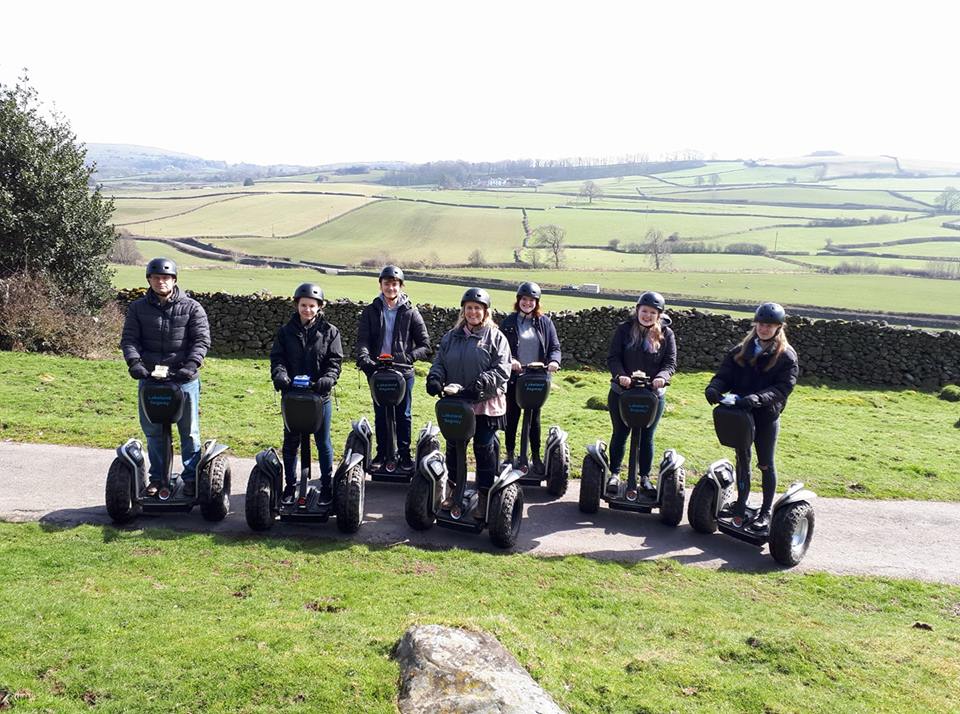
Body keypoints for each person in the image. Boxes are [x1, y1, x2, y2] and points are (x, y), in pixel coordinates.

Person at [121, 257, 211, 497]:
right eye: (156, 278)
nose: (161, 282)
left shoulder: (192, 307)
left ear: (174, 280)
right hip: (150, 378)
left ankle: (191, 478)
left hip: (183, 379)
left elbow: (201, 340)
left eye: (166, 278)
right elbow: (130, 340)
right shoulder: (137, 308)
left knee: (189, 432)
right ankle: (158, 478)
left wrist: (191, 365)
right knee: (154, 432)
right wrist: (135, 363)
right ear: (149, 280)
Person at [705, 302, 799, 532]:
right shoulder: (740, 351)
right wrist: (714, 387)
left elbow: (783, 388)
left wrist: (757, 399)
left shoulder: (786, 356)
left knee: (765, 463)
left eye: (770, 325)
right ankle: (741, 503)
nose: (764, 329)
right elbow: (725, 375)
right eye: (761, 324)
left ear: (779, 327)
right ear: (756, 324)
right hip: (740, 415)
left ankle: (766, 511)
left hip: (765, 416)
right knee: (742, 459)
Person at [426, 288, 512, 516]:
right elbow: (440, 362)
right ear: (463, 311)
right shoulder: (451, 336)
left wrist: (480, 385)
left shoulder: (496, 337)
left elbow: (502, 370)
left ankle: (485, 494)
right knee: (454, 448)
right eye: (469, 308)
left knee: (484, 447)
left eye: (478, 308)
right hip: (457, 401)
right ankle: (455, 491)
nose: (473, 312)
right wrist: (435, 378)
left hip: (484, 402)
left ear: (485, 312)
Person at [270, 283, 343, 504]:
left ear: (320, 306)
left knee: (323, 442)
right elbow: (278, 358)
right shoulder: (285, 332)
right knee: (291, 442)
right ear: (296, 305)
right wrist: (280, 375)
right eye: (303, 305)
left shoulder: (330, 332)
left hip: (320, 396)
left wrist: (328, 379)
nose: (307, 310)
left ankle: (327, 486)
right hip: (293, 396)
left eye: (312, 306)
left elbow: (334, 361)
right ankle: (290, 486)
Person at [355, 265, 431, 472]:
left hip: (402, 372)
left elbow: (425, 345)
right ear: (380, 285)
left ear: (400, 286)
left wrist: (408, 357)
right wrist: (364, 358)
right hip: (378, 372)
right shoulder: (371, 311)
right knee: (381, 414)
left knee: (403, 415)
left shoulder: (410, 312)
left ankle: (404, 456)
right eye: (387, 284)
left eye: (394, 284)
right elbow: (362, 341)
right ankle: (382, 453)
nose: (391, 287)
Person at [605, 291, 677, 498]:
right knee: (620, 433)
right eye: (644, 311)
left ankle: (644, 477)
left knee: (647, 436)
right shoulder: (624, 330)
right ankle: (615, 473)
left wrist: (662, 377)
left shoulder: (666, 333)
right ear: (637, 310)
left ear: (659, 314)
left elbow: (670, 362)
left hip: (652, 395)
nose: (647, 315)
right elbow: (613, 357)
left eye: (652, 312)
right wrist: (620, 375)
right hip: (622, 392)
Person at [498, 281, 561, 471]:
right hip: (515, 377)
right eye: (524, 299)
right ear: (519, 301)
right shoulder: (509, 322)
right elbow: (499, 348)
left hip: (537, 378)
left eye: (532, 300)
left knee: (534, 418)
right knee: (512, 416)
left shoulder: (545, 322)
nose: (528, 303)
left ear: (537, 302)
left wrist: (554, 362)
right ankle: (510, 455)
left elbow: (554, 348)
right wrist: (511, 360)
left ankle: (535, 457)